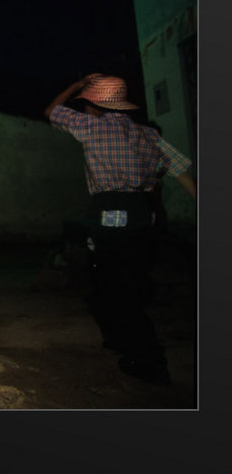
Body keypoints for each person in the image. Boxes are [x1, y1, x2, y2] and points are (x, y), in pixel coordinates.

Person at [45, 74, 196, 385]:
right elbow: (181, 171)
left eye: (85, 104)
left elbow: (51, 111)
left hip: (110, 211)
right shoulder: (148, 134)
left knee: (115, 285)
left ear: (94, 105)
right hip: (142, 213)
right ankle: (120, 339)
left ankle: (148, 359)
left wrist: (75, 86)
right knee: (128, 279)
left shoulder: (91, 127)